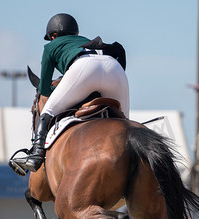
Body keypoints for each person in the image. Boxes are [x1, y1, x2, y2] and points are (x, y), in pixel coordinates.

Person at [16, 13, 130, 173]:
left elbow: (44, 90)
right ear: (75, 33)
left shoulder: (50, 46)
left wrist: (58, 91)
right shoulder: (83, 40)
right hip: (115, 68)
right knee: (124, 123)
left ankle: (36, 155)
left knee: (47, 110)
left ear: (53, 35)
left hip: (84, 67)